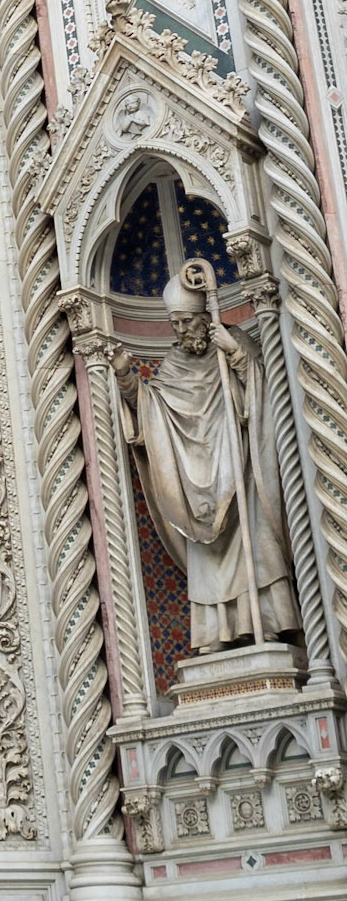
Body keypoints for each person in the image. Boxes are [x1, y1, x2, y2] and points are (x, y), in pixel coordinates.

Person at [113, 263, 300, 652]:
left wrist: (237, 356)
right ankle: (216, 633)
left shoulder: (234, 345)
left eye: (186, 322)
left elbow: (269, 396)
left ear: (204, 318)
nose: (180, 332)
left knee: (259, 543)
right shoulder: (175, 363)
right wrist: (128, 379)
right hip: (195, 478)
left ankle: (275, 623)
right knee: (208, 555)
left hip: (242, 469)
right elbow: (153, 410)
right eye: (174, 324)